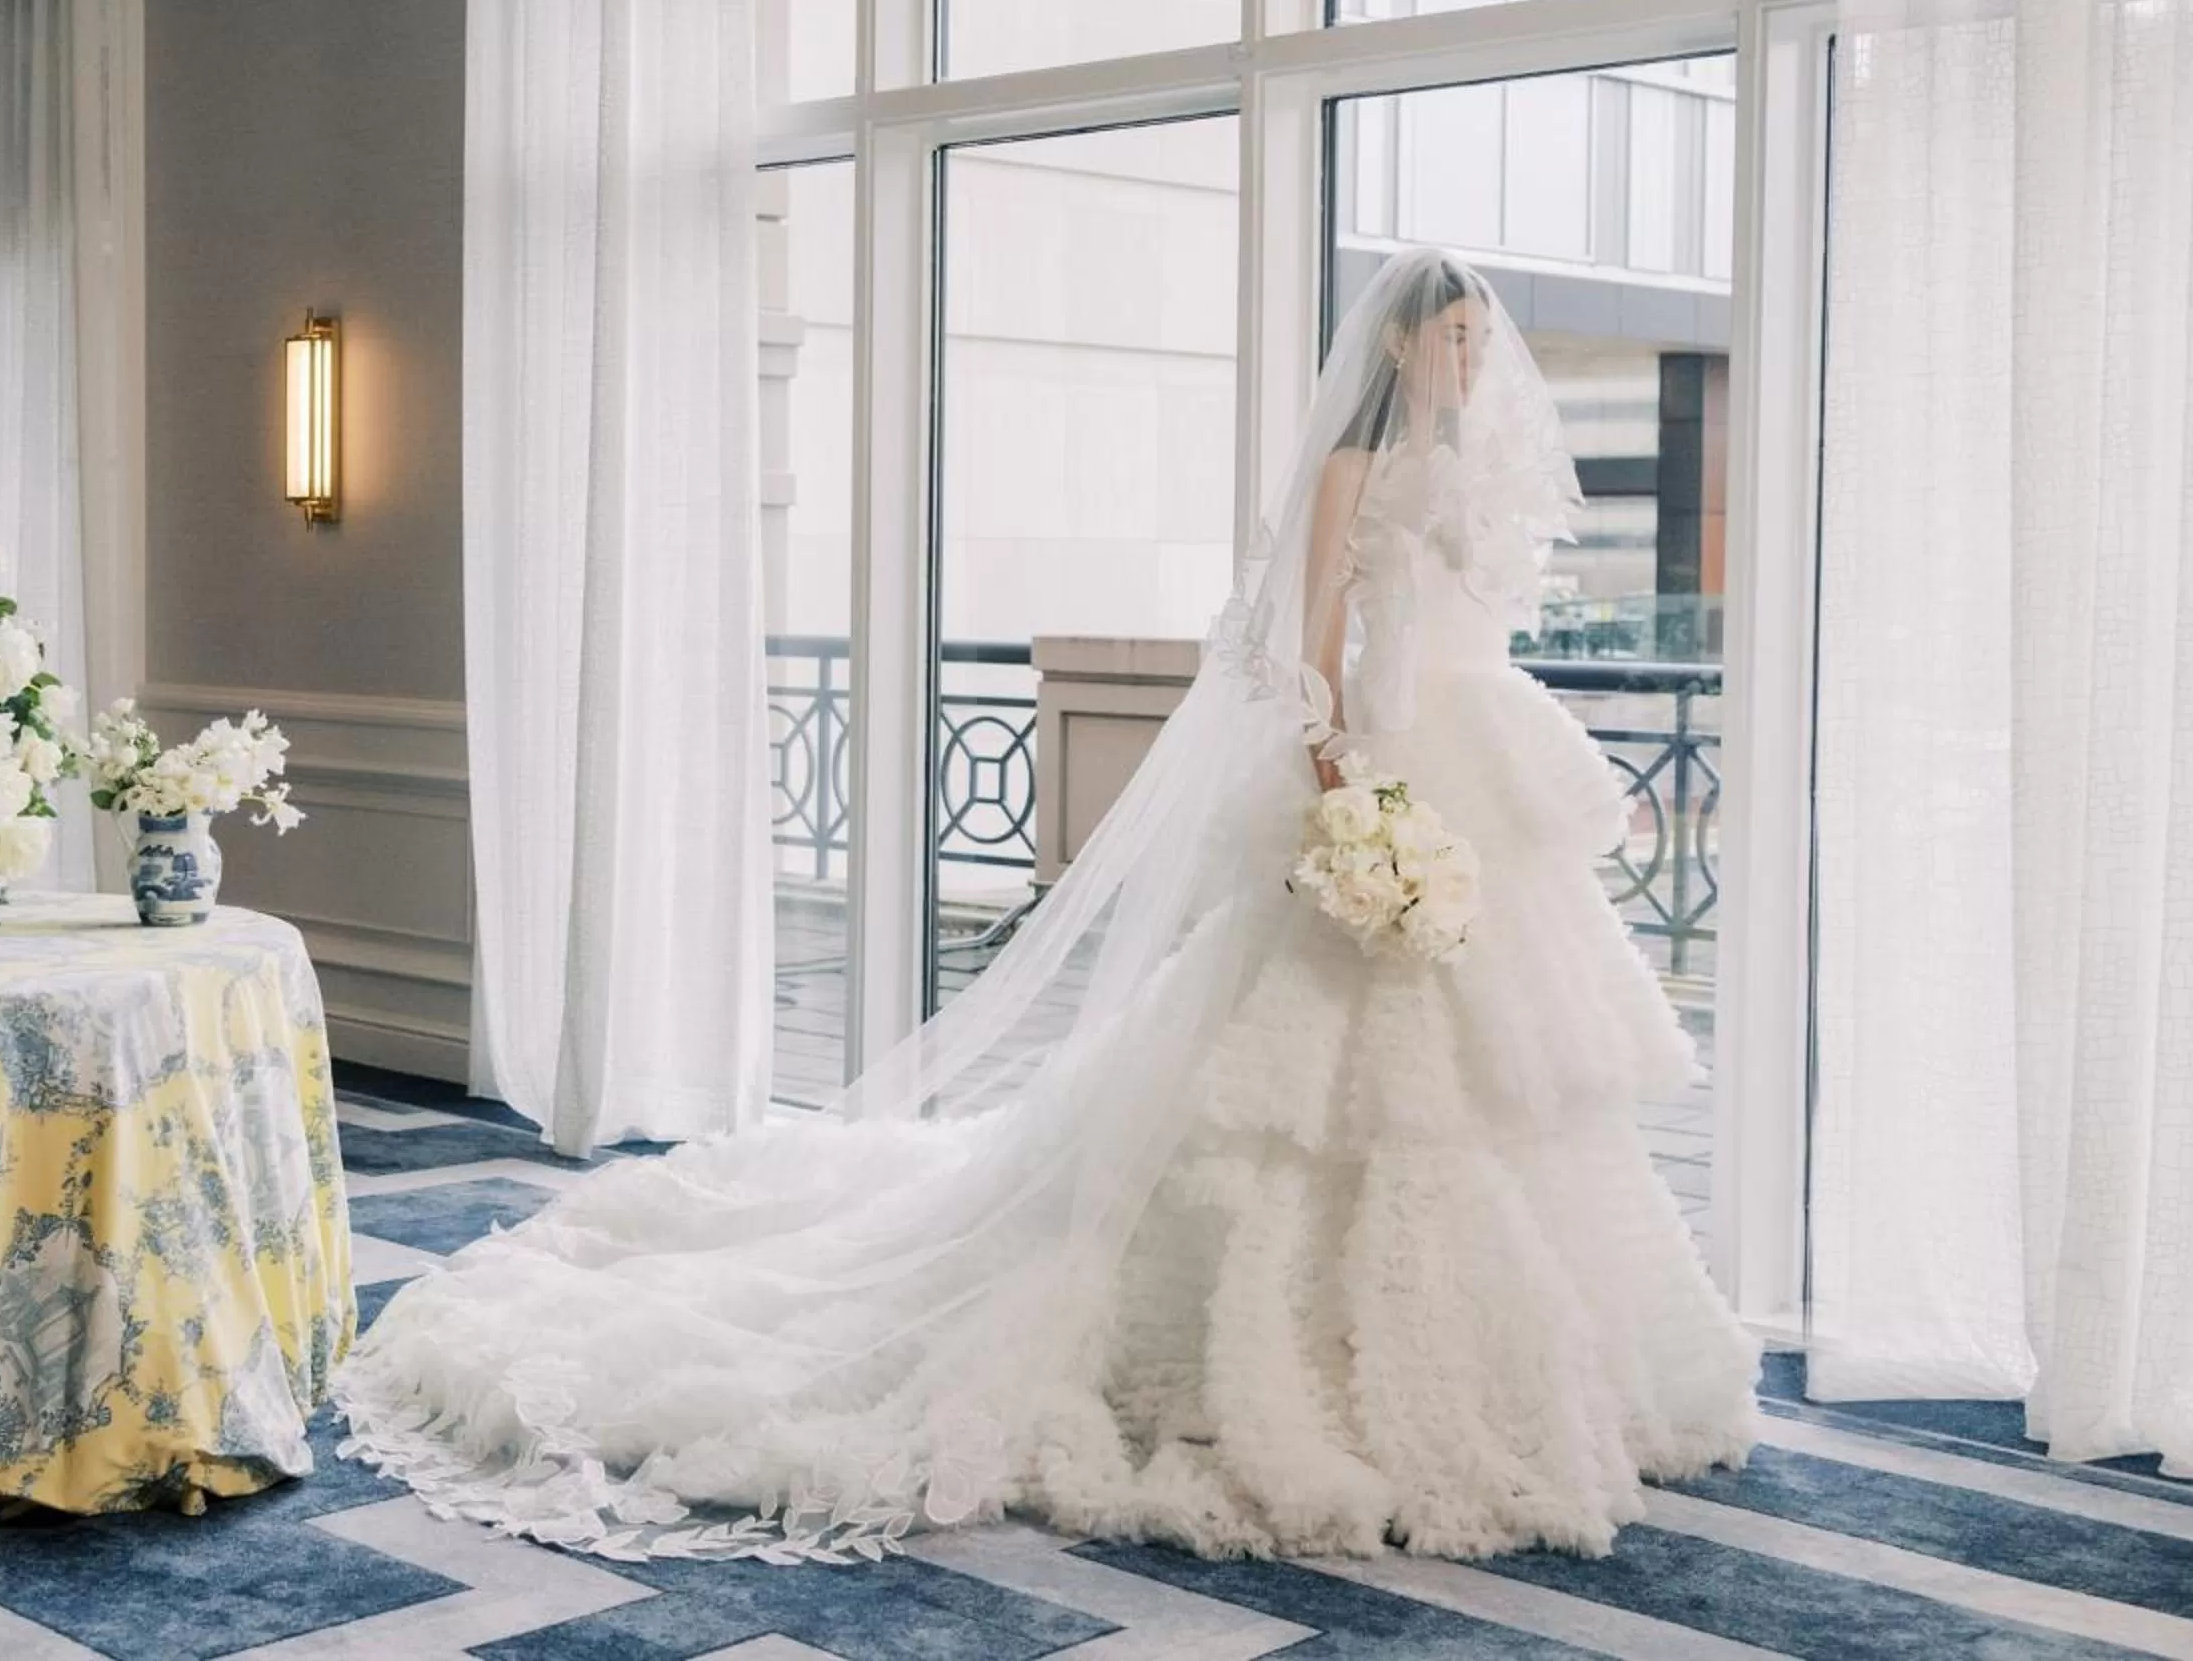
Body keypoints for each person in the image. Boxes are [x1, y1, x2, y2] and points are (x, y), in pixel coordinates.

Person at [335, 247, 1757, 1563]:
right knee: (1304, 1090)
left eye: (1476, 339)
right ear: (1397, 335)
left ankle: (1517, 1361)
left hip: (1479, 786)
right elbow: (1305, 648)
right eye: (1449, 336)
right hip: (1382, 783)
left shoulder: (1478, 471)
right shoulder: (1351, 466)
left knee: (1506, 1089)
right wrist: (1352, 800)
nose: (1467, 360)